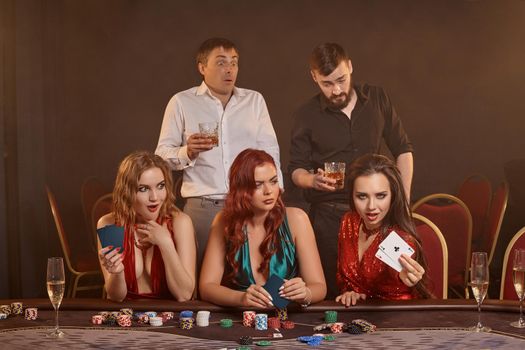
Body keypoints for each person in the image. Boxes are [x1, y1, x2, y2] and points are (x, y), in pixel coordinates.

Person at [289, 43, 414, 298]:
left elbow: (403, 150)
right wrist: (312, 180)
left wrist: (403, 202)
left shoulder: (377, 98)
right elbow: (294, 169)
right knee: (334, 295)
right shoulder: (305, 115)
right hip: (329, 218)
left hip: (376, 213)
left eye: (341, 80)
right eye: (326, 83)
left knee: (389, 288)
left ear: (350, 66)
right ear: (314, 77)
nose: (336, 90)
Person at [156, 38, 282, 266]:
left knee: (247, 277)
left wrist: (276, 194)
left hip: (248, 206)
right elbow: (161, 158)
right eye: (221, 62)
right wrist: (188, 152)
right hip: (202, 207)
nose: (230, 69)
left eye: (234, 63)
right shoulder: (182, 102)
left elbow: (270, 152)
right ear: (202, 67)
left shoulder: (254, 100)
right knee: (199, 282)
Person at [199, 149, 326, 307]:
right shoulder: (224, 222)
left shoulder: (297, 219)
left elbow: (319, 287)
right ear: (241, 189)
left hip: (287, 320)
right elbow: (206, 287)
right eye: (258, 185)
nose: (269, 191)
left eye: (273, 181)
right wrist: (241, 298)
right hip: (241, 319)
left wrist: (306, 293)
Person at [97, 151, 196, 301]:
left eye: (160, 186)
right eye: (143, 189)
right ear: (127, 192)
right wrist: (117, 273)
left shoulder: (180, 223)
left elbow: (184, 295)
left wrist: (166, 244)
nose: (155, 198)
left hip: (170, 319)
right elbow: (115, 297)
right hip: (126, 317)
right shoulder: (109, 225)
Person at [336, 154, 430, 306]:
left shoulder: (402, 238)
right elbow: (343, 278)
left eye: (381, 196)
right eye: (362, 196)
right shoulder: (349, 222)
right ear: (351, 196)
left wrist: (404, 279)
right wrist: (349, 292)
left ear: (393, 195)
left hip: (395, 320)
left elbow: (399, 275)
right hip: (355, 318)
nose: (371, 206)